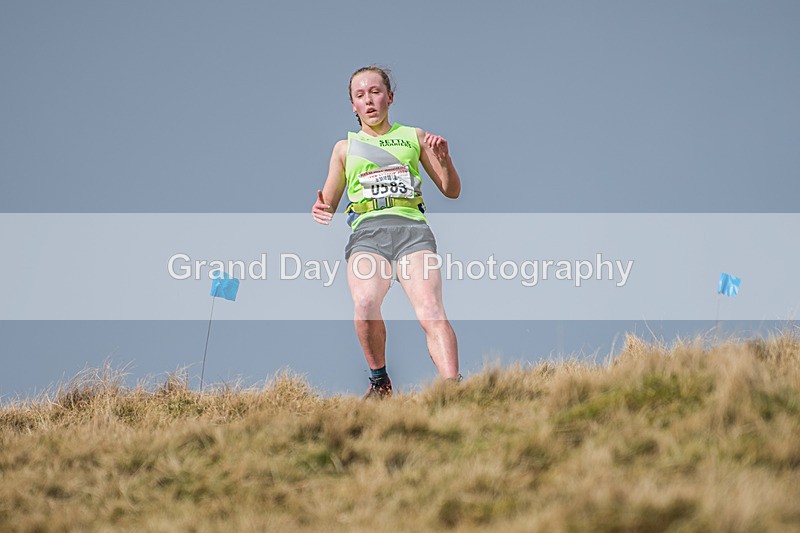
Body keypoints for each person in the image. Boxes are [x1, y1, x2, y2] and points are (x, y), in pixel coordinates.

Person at [311, 66, 461, 399]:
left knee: (431, 310)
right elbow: (329, 202)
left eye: (375, 92)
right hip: (368, 235)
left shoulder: (414, 136)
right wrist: (320, 207)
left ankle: (454, 389)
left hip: (412, 231)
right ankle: (380, 382)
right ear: (352, 105)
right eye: (360, 95)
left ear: (390, 97)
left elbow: (451, 190)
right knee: (364, 304)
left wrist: (444, 160)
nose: (369, 100)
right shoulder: (344, 148)